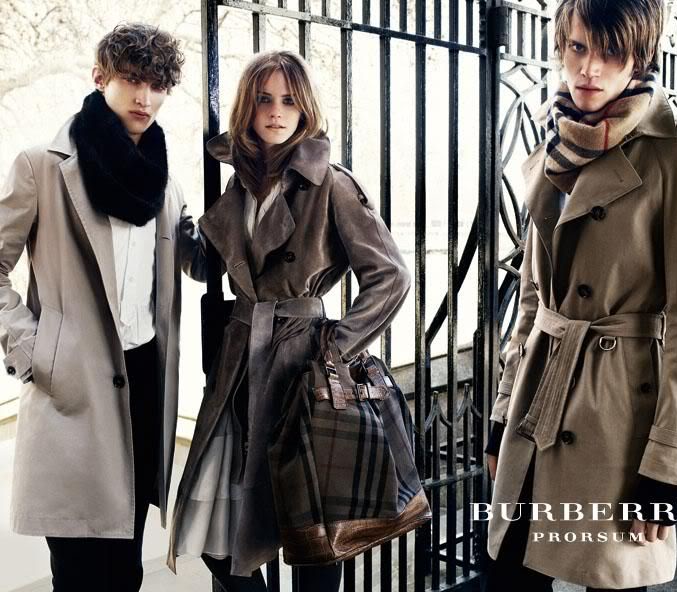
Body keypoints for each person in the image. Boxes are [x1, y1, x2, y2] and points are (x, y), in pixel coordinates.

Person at [483, 0, 677, 590]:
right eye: (578, 48)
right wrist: (502, 411)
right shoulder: (553, 149)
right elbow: (534, 299)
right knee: (507, 573)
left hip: (621, 414)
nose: (589, 68)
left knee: (611, 581)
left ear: (639, 57)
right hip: (537, 402)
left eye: (610, 52)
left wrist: (671, 462)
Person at [167, 50, 411, 592]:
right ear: (247, 108)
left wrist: (334, 348)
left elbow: (391, 277)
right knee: (217, 534)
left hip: (302, 366)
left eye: (289, 100)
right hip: (239, 365)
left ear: (305, 109)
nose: (276, 111)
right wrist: (173, 212)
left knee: (312, 531)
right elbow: (207, 264)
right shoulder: (238, 185)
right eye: (264, 99)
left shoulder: (331, 184)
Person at [0, 23, 206, 591]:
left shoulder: (166, 185)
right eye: (133, 80)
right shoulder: (41, 166)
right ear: (100, 77)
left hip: (143, 385)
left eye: (158, 85)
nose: (145, 97)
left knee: (124, 569)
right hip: (72, 388)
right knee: (78, 571)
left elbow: (201, 262)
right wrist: (33, 349)